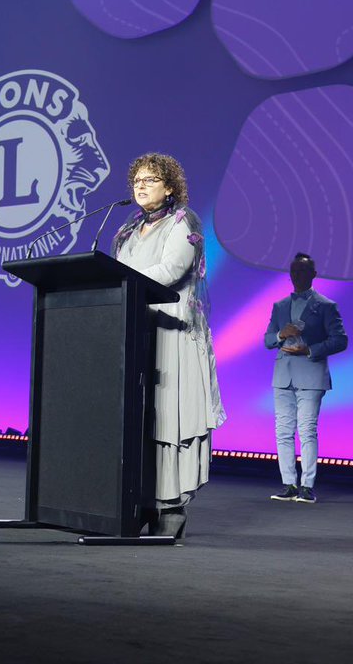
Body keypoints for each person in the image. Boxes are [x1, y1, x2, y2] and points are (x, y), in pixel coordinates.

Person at [111, 153, 225, 539]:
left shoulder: (183, 221)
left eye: (150, 179)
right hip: (139, 333)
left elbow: (170, 271)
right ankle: (141, 501)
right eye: (136, 180)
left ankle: (171, 509)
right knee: (141, 422)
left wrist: (120, 281)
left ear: (170, 187)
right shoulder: (127, 230)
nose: (140, 186)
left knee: (170, 420)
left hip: (173, 335)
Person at [264, 253, 348, 504]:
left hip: (310, 375)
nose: (297, 276)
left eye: (303, 271)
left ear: (313, 274)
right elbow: (268, 340)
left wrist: (310, 349)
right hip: (283, 376)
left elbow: (340, 340)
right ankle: (288, 483)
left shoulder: (325, 305)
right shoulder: (279, 306)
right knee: (283, 432)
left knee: (307, 431)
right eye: (294, 272)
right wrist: (281, 334)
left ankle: (307, 486)